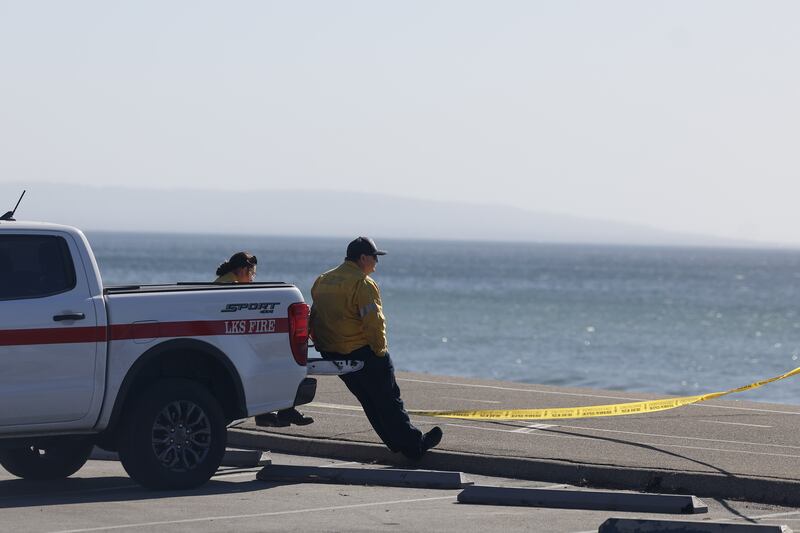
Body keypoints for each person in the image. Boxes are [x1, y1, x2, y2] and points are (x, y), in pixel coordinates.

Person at [310, 236, 442, 460]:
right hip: (361, 352)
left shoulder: (323, 280)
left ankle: (397, 444)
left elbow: (315, 316)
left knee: (370, 401)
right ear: (362, 258)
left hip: (333, 354)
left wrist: (325, 348)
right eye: (374, 258)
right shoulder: (363, 283)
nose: (376, 263)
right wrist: (380, 352)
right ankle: (414, 446)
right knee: (389, 399)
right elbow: (374, 322)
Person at [214, 251, 313, 427]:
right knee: (278, 360)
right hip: (234, 345)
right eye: (252, 273)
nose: (252, 278)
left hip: (230, 342)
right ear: (243, 269)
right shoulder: (232, 285)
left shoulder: (224, 282)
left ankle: (273, 412)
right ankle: (280, 410)